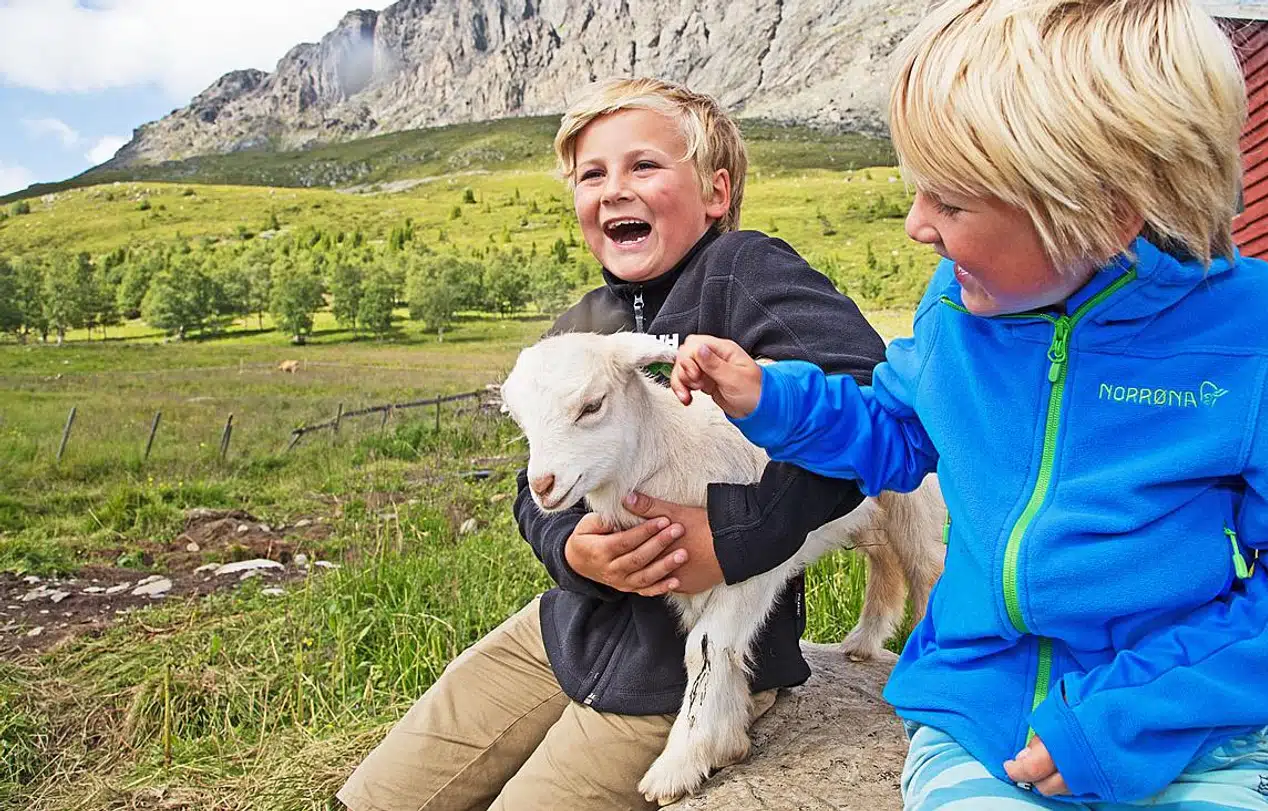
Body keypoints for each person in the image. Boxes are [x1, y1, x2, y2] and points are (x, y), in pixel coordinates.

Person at [665, 1, 1268, 808]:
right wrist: (770, 396)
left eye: (951, 203)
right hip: (981, 716)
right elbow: (895, 433)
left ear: (1104, 212)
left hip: (1182, 731)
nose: (918, 226)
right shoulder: (960, 308)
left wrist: (1137, 713)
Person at [336, 76, 887, 811]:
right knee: (379, 793)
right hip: (565, 628)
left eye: (644, 166)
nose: (614, 189)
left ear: (715, 193)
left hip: (677, 676)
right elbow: (534, 485)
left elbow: (868, 400)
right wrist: (570, 547)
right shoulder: (583, 323)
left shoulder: (746, 274)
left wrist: (735, 533)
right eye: (592, 174)